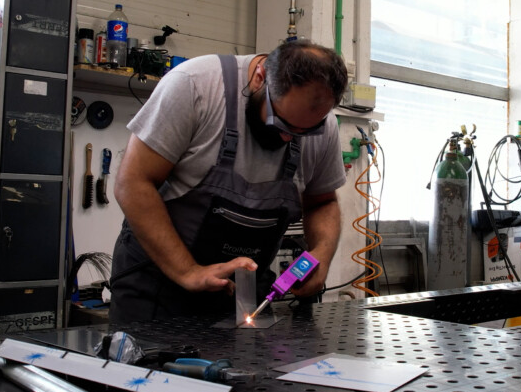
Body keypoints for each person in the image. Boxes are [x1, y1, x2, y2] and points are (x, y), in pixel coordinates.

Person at [109, 41, 349, 322]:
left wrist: (322, 255)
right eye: (282, 123)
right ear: (260, 77)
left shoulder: (323, 126)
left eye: (306, 131)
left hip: (244, 291)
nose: (289, 137)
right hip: (158, 285)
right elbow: (133, 183)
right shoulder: (194, 86)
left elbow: (323, 202)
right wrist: (188, 271)